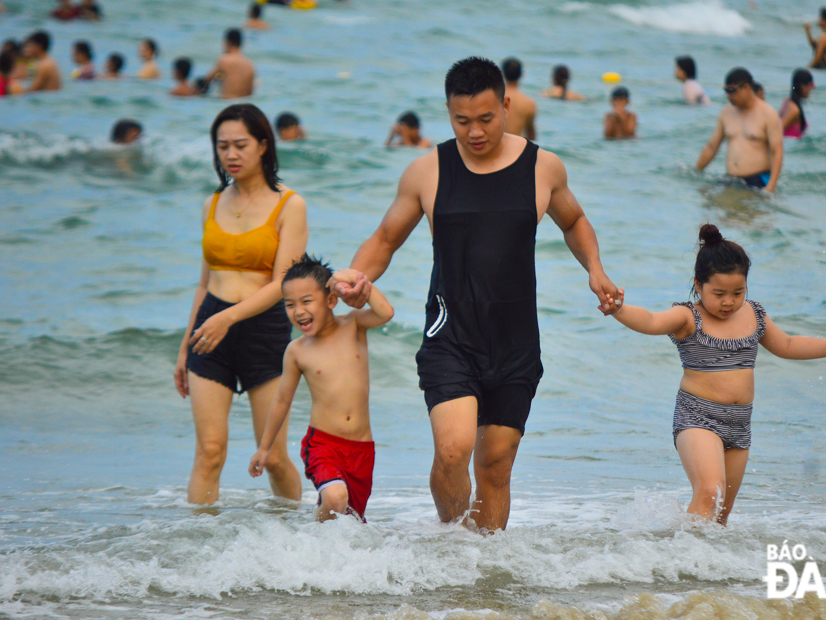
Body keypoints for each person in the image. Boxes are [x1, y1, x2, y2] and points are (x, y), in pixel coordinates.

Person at [335, 57, 622, 532]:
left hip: (515, 344)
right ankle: (454, 547)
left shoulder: (542, 167)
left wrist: (595, 269)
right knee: (453, 449)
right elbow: (385, 239)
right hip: (451, 335)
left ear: (506, 106)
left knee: (495, 465)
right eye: (461, 120)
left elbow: (573, 221)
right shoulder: (427, 172)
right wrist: (357, 278)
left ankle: (482, 574)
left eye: (485, 119)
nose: (474, 132)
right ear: (448, 112)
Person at [604, 224, 826, 525]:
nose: (728, 301)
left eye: (737, 292)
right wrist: (619, 310)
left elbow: (788, 344)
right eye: (719, 293)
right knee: (710, 492)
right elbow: (651, 320)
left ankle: (700, 568)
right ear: (698, 285)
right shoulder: (688, 317)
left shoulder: (754, 315)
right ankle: (676, 561)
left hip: (739, 426)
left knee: (720, 516)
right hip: (697, 417)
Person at [174, 104, 308, 505]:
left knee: (273, 458)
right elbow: (204, 282)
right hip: (209, 330)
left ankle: (294, 540)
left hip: (263, 332)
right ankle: (198, 555)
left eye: (240, 145)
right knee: (209, 452)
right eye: (222, 146)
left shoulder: (290, 205)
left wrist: (227, 319)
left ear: (264, 145)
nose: (230, 154)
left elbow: (284, 282)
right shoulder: (212, 204)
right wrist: (185, 347)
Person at [249, 256, 394, 521]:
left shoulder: (354, 325)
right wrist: (264, 448)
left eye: (306, 301)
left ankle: (314, 541)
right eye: (289, 305)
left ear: (330, 300)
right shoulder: (297, 351)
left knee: (351, 522)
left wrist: (351, 278)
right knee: (336, 497)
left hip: (361, 449)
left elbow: (386, 312)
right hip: (323, 444)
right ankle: (320, 519)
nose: (298, 311)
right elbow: (282, 400)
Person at [695, 68, 783, 193]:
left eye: (732, 91)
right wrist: (696, 171)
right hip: (731, 179)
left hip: (757, 181)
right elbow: (712, 146)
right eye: (726, 91)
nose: (728, 95)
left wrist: (771, 186)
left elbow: (777, 151)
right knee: (705, 200)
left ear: (746, 88)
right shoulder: (726, 112)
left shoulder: (768, 114)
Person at [201, 29, 255, 99]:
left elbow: (207, 81)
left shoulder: (224, 60)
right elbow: (250, 92)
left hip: (226, 102)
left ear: (227, 43)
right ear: (241, 43)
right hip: (243, 104)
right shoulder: (249, 64)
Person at [501, 57, 536, 140]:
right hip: (516, 148)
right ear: (521, 74)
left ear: (503, 73)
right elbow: (531, 136)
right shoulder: (528, 103)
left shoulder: (494, 97)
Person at [779, 69, 814, 139]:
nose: (812, 88)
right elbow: (777, 130)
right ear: (802, 86)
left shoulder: (787, 101)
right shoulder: (794, 109)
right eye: (810, 85)